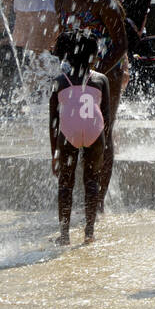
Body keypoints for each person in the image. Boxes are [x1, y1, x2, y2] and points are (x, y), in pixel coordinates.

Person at [55, 0, 129, 207]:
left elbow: (121, 45)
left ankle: (97, 200)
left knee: (103, 132)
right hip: (73, 74)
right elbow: (62, 39)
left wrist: (95, 74)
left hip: (106, 75)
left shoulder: (103, 0)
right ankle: (76, 193)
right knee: (70, 129)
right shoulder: (60, 0)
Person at [49, 30, 111, 246]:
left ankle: (64, 235)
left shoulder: (60, 81)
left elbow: (53, 123)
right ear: (93, 56)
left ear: (67, 55)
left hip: (68, 134)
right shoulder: (101, 80)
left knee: (65, 185)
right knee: (92, 181)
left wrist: (54, 155)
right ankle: (89, 233)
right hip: (95, 132)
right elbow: (107, 118)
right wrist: (105, 148)